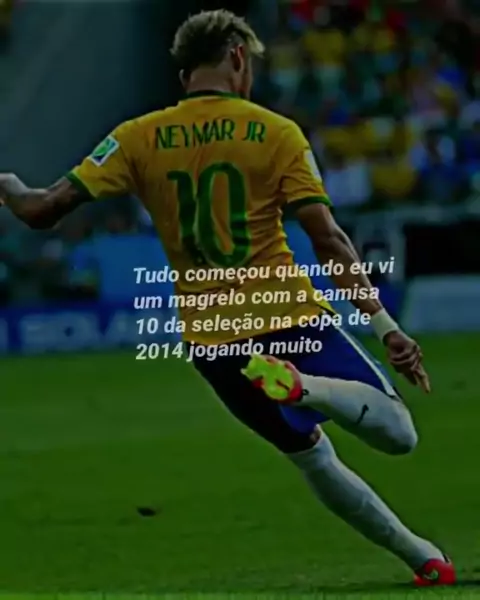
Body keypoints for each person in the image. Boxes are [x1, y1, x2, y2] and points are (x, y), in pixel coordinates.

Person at [0, 9, 455, 587]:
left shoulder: (136, 136)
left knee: (311, 457)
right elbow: (329, 240)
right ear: (238, 57)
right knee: (399, 435)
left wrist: (8, 186)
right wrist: (385, 324)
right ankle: (307, 386)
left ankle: (423, 559)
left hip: (215, 342)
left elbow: (42, 209)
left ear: (184, 72)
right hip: (287, 318)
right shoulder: (276, 132)